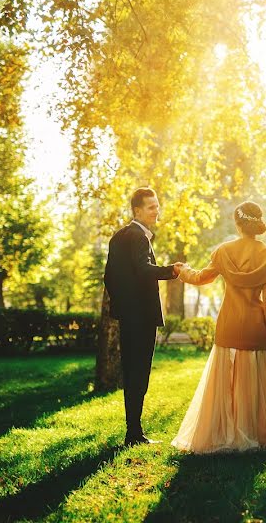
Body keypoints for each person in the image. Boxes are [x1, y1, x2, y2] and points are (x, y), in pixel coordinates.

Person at [172, 200, 266, 453]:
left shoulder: (224, 252)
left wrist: (182, 270)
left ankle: (224, 435)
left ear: (237, 223)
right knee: (252, 387)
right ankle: (254, 438)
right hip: (255, 329)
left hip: (229, 325)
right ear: (258, 223)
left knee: (226, 387)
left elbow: (201, 277)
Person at [104, 187, 183, 446]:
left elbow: (109, 278)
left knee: (132, 372)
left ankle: (133, 431)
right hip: (143, 318)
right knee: (140, 373)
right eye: (151, 207)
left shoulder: (118, 237)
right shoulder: (139, 237)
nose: (156, 210)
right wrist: (171, 270)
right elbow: (143, 269)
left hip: (129, 317)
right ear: (137, 210)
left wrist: (123, 307)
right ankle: (134, 433)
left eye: (157, 205)